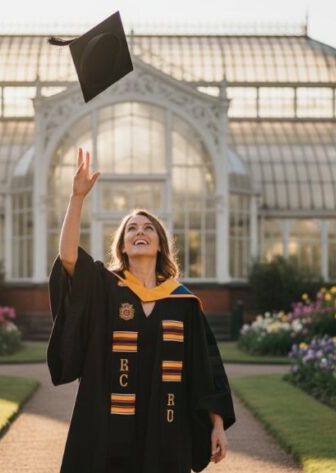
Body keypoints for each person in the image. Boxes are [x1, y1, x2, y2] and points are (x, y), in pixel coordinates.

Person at [48, 147, 236, 472]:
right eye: (131, 229)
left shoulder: (182, 303)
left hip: (166, 428)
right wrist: (77, 197)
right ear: (122, 246)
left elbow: (206, 370)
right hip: (109, 428)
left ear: (160, 243)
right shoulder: (106, 289)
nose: (140, 233)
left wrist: (217, 425)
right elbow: (68, 258)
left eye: (148, 228)